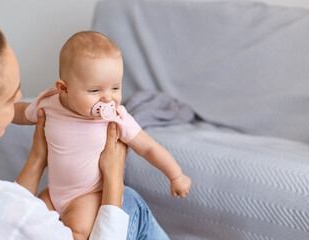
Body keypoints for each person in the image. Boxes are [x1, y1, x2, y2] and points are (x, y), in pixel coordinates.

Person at [0, 16, 170, 239]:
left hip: (79, 196)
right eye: (9, 99)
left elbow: (8, 209)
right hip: (79, 201)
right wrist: (114, 178)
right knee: (131, 201)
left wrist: (37, 158)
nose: (19, 98)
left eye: (115, 87)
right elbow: (12, 213)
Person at [13, 31, 191, 239]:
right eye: (95, 90)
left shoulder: (116, 117)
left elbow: (148, 147)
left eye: (115, 87)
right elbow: (21, 113)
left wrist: (175, 174)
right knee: (29, 219)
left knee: (76, 229)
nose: (108, 99)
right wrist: (2, 109)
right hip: (53, 194)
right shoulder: (49, 104)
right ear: (64, 89)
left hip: (88, 196)